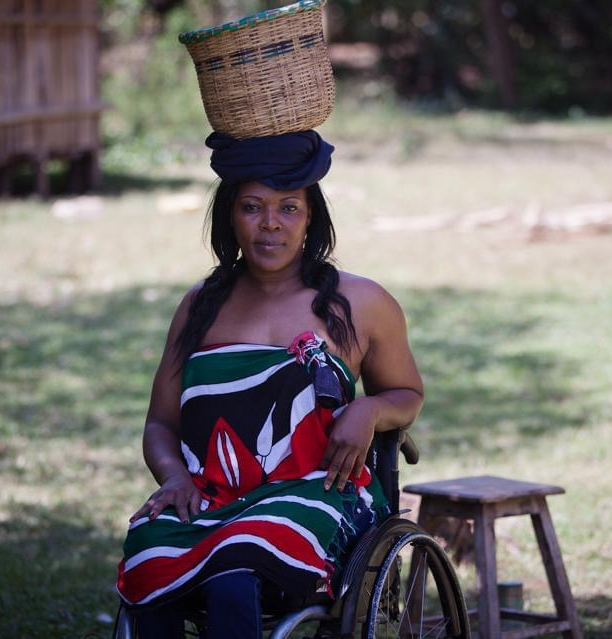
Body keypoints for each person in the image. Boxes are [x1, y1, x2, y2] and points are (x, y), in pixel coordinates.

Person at [116, 131, 424, 638]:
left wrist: (368, 411)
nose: (270, 225)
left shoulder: (361, 303)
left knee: (236, 569)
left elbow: (407, 394)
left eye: (289, 208)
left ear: (311, 218)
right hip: (208, 499)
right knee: (150, 554)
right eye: (252, 207)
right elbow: (160, 422)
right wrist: (174, 477)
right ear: (230, 217)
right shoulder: (201, 306)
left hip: (315, 495)